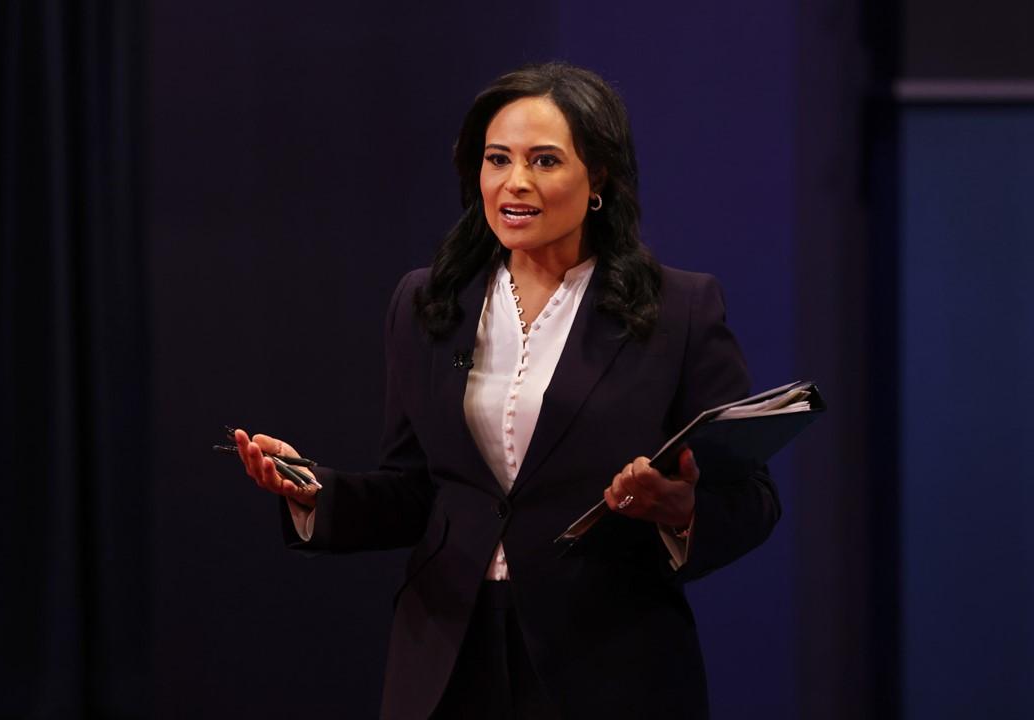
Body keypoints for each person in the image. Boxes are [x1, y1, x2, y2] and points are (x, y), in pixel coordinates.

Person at [233, 61, 780, 719]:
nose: (515, 183)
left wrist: (679, 508)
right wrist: (313, 491)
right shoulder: (425, 301)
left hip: (607, 664)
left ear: (598, 176)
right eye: (498, 160)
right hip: (446, 656)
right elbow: (418, 490)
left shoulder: (679, 309)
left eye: (545, 161)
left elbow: (751, 498)